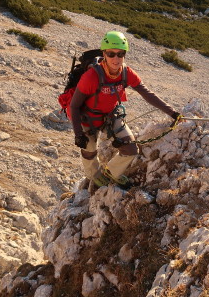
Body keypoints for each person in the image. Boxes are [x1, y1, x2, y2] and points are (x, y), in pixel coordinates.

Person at [70, 31, 181, 189]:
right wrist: (78, 134)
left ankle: (110, 173)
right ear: (104, 54)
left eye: (120, 54)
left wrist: (172, 113)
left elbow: (147, 93)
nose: (116, 59)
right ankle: (94, 177)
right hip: (87, 117)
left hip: (110, 115)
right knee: (89, 151)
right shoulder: (91, 77)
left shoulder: (126, 73)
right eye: (111, 54)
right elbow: (74, 106)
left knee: (131, 149)